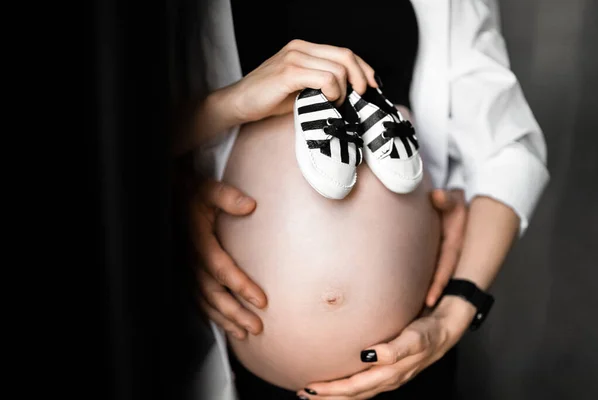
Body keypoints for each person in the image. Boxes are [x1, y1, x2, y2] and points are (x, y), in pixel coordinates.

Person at [175, 1, 550, 399]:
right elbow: (116, 130)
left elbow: (508, 151)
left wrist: (452, 316)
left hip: (412, 361)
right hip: (217, 351)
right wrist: (228, 105)